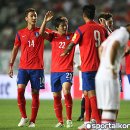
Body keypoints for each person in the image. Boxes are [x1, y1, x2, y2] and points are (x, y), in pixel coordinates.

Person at [61, 4, 106, 130]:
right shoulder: (101, 29)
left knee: (91, 94)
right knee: (86, 93)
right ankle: (87, 123)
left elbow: (72, 44)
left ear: (84, 15)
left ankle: (97, 123)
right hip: (100, 66)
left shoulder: (81, 29)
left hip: (88, 67)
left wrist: (65, 52)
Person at [8, 8, 45, 127]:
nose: (34, 17)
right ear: (26, 18)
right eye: (32, 16)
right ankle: (24, 117)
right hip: (23, 68)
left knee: (35, 94)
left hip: (37, 68)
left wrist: (46, 21)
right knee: (20, 91)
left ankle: (32, 121)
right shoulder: (20, 33)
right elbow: (15, 49)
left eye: (35, 15)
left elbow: (47, 34)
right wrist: (11, 65)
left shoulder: (41, 31)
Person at [39, 11, 74, 128]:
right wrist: (45, 21)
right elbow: (41, 33)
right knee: (56, 96)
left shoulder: (73, 36)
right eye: (63, 25)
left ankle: (69, 119)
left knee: (67, 91)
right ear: (57, 27)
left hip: (67, 70)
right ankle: (60, 121)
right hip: (55, 71)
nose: (65, 27)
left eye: (66, 24)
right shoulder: (53, 36)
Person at [95, 25, 130, 129]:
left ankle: (108, 127)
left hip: (101, 73)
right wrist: (110, 66)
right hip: (109, 74)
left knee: (107, 106)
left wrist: (104, 64)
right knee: (111, 107)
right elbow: (114, 46)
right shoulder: (124, 34)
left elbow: (101, 48)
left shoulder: (115, 33)